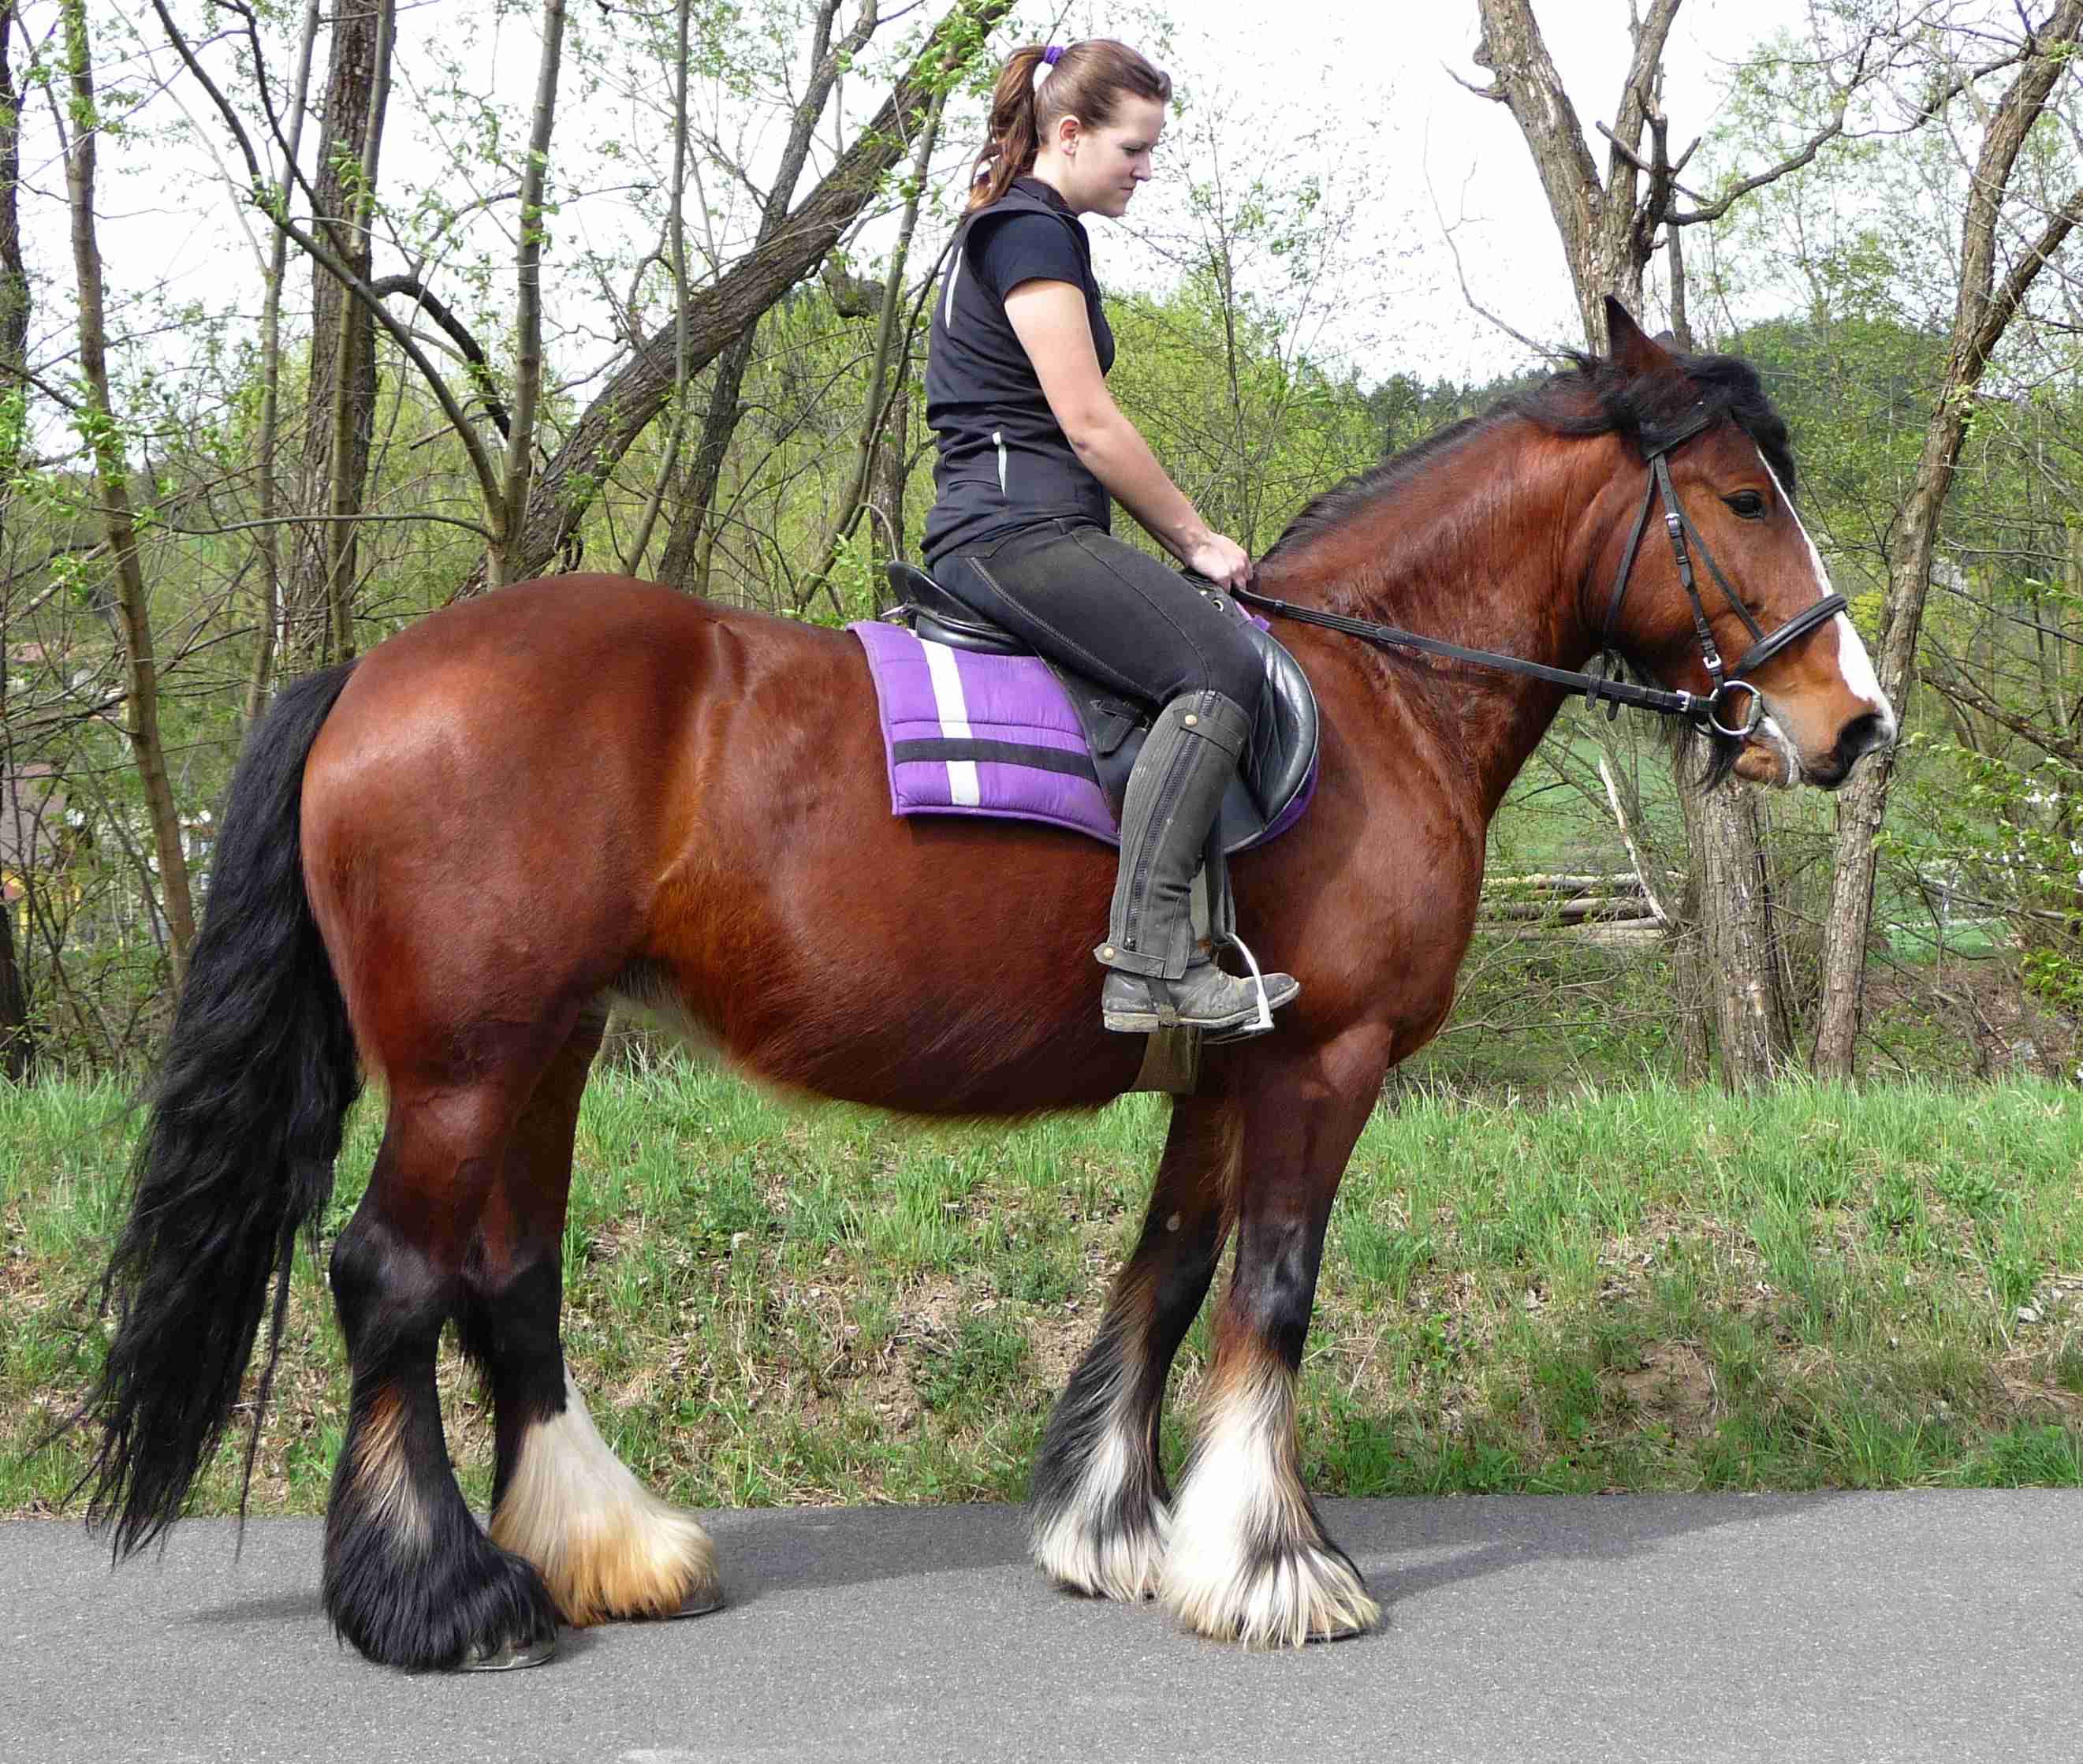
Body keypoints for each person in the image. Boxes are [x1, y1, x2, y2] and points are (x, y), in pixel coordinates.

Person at [922, 39, 1299, 1039]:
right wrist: (1195, 537)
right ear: (1070, 133)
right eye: (1134, 148)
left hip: (1012, 526)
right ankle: (1149, 964)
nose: (1145, 169)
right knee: (1219, 662)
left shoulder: (1024, 227)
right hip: (1013, 531)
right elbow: (1088, 423)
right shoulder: (1028, 233)